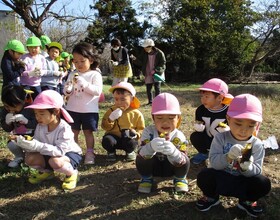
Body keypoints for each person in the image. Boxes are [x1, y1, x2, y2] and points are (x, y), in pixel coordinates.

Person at [196, 94, 271, 218]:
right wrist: (228, 156)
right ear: (228, 119)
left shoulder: (256, 144)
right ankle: (211, 197)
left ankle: (247, 201)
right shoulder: (220, 137)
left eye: (250, 125)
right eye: (238, 123)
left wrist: (247, 167)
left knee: (262, 183)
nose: (243, 130)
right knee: (204, 175)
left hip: (243, 182)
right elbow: (214, 163)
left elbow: (257, 171)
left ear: (257, 125)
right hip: (222, 178)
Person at [13, 90, 82, 190]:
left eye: (41, 114)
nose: (38, 118)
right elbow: (36, 145)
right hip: (49, 153)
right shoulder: (40, 126)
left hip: (68, 154)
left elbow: (60, 151)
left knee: (56, 162)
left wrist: (36, 145)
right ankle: (47, 172)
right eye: (36, 114)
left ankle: (72, 173)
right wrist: (24, 143)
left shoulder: (64, 128)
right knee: (29, 158)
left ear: (56, 112)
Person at [136, 93, 190, 193]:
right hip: (154, 167)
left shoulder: (179, 136)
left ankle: (180, 178)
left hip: (171, 168)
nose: (165, 122)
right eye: (160, 118)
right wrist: (151, 146)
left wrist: (174, 152)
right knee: (140, 157)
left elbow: (183, 157)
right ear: (153, 118)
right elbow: (141, 152)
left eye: (171, 118)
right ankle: (147, 178)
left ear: (178, 118)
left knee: (185, 160)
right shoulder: (149, 132)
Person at [63, 42, 103, 165]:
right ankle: (74, 152)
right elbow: (67, 92)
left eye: (82, 61)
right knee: (73, 132)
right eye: (75, 61)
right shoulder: (72, 74)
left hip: (89, 110)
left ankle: (90, 152)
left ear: (90, 60)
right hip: (72, 109)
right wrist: (68, 89)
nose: (78, 64)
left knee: (88, 132)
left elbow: (97, 91)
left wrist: (84, 84)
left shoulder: (95, 74)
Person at [190, 78, 233, 165]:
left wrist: (228, 131)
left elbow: (235, 130)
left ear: (220, 98)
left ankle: (222, 155)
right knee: (195, 136)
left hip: (223, 142)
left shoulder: (229, 112)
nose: (203, 99)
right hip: (207, 138)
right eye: (202, 96)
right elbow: (199, 122)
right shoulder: (201, 110)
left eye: (206, 96)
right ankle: (204, 153)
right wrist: (199, 127)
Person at [101, 82, 145, 161]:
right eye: (116, 99)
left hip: (128, 139)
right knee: (107, 140)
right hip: (114, 138)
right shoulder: (111, 111)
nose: (119, 102)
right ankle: (111, 151)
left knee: (131, 142)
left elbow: (141, 129)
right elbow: (104, 126)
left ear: (132, 99)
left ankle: (130, 151)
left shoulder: (136, 113)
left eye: (123, 99)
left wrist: (136, 134)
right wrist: (110, 119)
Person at [0, 85, 37, 168]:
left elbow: (37, 124)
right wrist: (7, 123)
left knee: (31, 157)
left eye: (14, 107)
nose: (10, 109)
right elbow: (6, 129)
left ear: (23, 101)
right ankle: (19, 157)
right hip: (18, 136)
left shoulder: (30, 109)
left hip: (33, 137)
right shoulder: (5, 111)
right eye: (7, 106)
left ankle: (31, 157)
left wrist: (27, 121)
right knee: (11, 144)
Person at [131, 38, 166, 105]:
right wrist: (134, 59)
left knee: (157, 87)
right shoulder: (144, 53)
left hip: (157, 73)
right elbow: (140, 62)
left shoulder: (160, 53)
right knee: (148, 88)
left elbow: (163, 64)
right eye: (144, 47)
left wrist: (156, 70)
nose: (144, 48)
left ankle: (157, 102)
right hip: (148, 72)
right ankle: (150, 102)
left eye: (146, 47)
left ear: (150, 46)